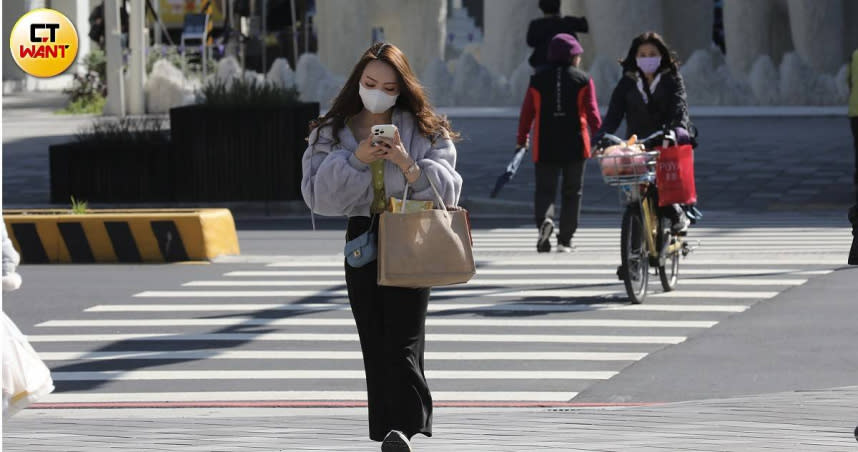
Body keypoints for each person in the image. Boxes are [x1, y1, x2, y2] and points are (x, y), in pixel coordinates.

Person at [301, 42, 462, 451]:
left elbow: (448, 188)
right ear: (357, 81)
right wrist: (356, 158)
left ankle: (402, 428)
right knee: (374, 337)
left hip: (410, 232)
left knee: (404, 337)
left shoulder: (425, 127)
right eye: (370, 83)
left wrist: (407, 163)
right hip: (361, 237)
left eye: (388, 87)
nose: (377, 92)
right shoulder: (330, 130)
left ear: (402, 88)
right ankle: (389, 429)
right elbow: (318, 197)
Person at [597, 31, 695, 233]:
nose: (647, 58)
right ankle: (631, 256)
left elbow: (680, 108)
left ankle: (677, 213)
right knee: (632, 190)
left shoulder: (672, 79)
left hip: (664, 141)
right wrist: (600, 137)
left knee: (662, 188)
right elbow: (613, 115)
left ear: (661, 56)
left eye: (652, 53)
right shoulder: (628, 82)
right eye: (642, 55)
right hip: (636, 145)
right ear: (634, 57)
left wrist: (677, 130)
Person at [517, 34, 602, 253]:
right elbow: (592, 113)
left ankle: (545, 221)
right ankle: (565, 239)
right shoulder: (583, 80)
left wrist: (522, 139)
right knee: (573, 192)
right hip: (575, 143)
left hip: (545, 143)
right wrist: (601, 138)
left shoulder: (537, 80)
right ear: (573, 57)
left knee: (545, 190)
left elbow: (527, 113)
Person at [526, 0, 588, 69]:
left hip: (542, 65)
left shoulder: (535, 25)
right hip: (565, 65)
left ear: (542, 8)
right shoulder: (567, 22)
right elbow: (584, 26)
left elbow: (530, 42)